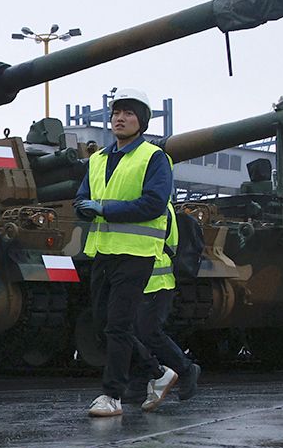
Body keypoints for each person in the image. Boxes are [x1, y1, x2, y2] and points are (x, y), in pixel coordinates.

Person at [74, 88, 173, 417]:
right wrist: (85, 208)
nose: (119, 117)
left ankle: (111, 396)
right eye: (116, 112)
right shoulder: (98, 160)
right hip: (103, 252)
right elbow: (83, 195)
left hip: (135, 253)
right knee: (105, 324)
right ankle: (158, 372)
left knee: (117, 325)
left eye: (129, 113)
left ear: (141, 122)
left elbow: (154, 203)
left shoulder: (153, 157)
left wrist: (103, 208)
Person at [133, 201, 201, 410]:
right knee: (134, 331)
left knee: (149, 332)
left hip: (157, 281)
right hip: (145, 281)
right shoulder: (156, 203)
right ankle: (142, 380)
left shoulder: (157, 205)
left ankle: (186, 369)